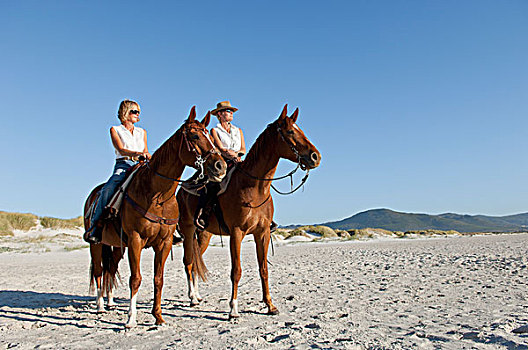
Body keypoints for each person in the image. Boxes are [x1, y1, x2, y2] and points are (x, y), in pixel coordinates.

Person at [84, 99, 151, 244]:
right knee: (109, 187)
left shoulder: (142, 132)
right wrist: (136, 154)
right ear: (125, 112)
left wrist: (147, 156)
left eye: (138, 112)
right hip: (124, 164)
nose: (137, 114)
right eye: (134, 111)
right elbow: (120, 149)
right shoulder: (115, 129)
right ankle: (95, 225)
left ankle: (171, 226)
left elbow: (146, 150)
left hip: (141, 165)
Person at [194, 101, 246, 230]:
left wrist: (238, 155)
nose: (231, 113)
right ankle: (203, 214)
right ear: (220, 114)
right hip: (223, 162)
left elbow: (243, 148)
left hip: (238, 160)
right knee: (212, 185)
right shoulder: (215, 130)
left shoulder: (238, 130)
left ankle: (266, 216)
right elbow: (221, 148)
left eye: (231, 111)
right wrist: (232, 155)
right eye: (228, 111)